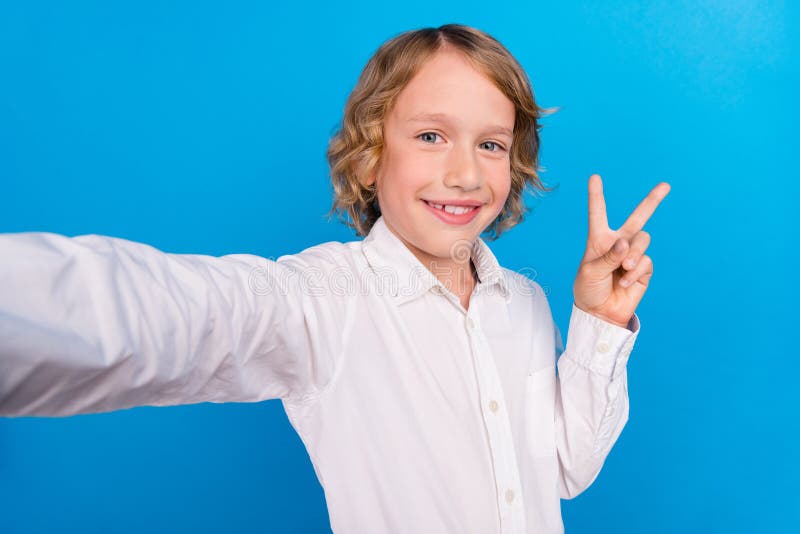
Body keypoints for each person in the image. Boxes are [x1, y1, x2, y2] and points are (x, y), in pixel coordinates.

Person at [0, 23, 670, 534]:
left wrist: (600, 324)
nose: (466, 174)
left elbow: (563, 470)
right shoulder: (323, 300)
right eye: (431, 136)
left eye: (490, 144)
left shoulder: (523, 302)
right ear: (373, 156)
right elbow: (162, 309)